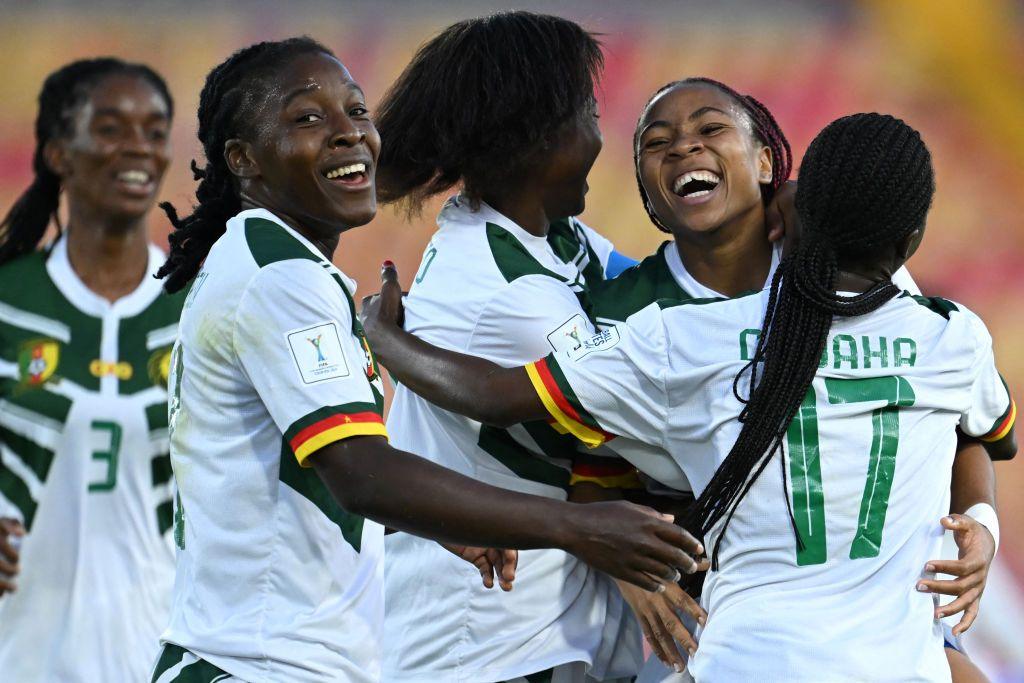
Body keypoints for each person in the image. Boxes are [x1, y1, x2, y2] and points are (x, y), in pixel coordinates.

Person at [363, 112, 1016, 681]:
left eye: (711, 128)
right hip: (897, 663)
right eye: (659, 136)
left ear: (789, 196)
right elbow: (985, 431)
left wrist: (383, 337)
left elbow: (494, 394)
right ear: (909, 243)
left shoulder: (688, 338)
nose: (684, 149)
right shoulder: (950, 335)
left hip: (745, 659)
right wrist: (982, 525)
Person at [149, 37, 699, 683]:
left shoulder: (282, 266)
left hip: (285, 657)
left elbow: (317, 473)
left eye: (356, 111)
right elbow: (360, 471)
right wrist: (578, 528)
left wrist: (441, 521)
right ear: (243, 159)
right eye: (308, 118)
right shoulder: (279, 276)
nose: (348, 134)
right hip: (257, 661)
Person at [373, 12, 645, 682]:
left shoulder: (549, 241)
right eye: (586, 111)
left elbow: (663, 301)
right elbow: (648, 418)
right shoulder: (504, 291)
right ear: (534, 139)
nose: (599, 134)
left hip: (546, 629)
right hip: (485, 640)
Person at [0, 58, 183, 682]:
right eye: (110, 128)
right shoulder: (8, 301)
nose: (137, 147)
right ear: (58, 152)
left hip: (168, 656)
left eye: (155, 132)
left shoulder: (202, 308)